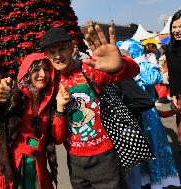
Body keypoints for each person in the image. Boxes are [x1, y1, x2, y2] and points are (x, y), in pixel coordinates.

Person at [42, 26, 140, 189]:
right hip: (75, 160)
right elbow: (57, 137)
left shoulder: (89, 68)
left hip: (105, 156)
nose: (57, 56)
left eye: (61, 49)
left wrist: (119, 65)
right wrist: (59, 109)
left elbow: (133, 71)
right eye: (52, 52)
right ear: (47, 56)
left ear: (72, 48)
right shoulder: (51, 82)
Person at [0, 53, 70, 189]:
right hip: (6, 173)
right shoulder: (11, 95)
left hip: (36, 175)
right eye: (36, 69)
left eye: (46, 69)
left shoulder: (49, 102)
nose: (43, 74)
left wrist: (60, 108)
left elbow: (57, 138)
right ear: (26, 72)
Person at [118, 39, 180, 189]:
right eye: (122, 53)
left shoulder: (141, 65)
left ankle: (156, 180)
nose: (124, 55)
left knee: (152, 146)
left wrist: (139, 61)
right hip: (131, 115)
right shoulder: (122, 67)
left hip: (148, 114)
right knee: (138, 150)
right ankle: (144, 180)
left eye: (126, 53)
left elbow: (154, 78)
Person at [165, 9, 181, 148]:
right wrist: (173, 96)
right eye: (174, 26)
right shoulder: (169, 49)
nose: (177, 30)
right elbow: (172, 74)